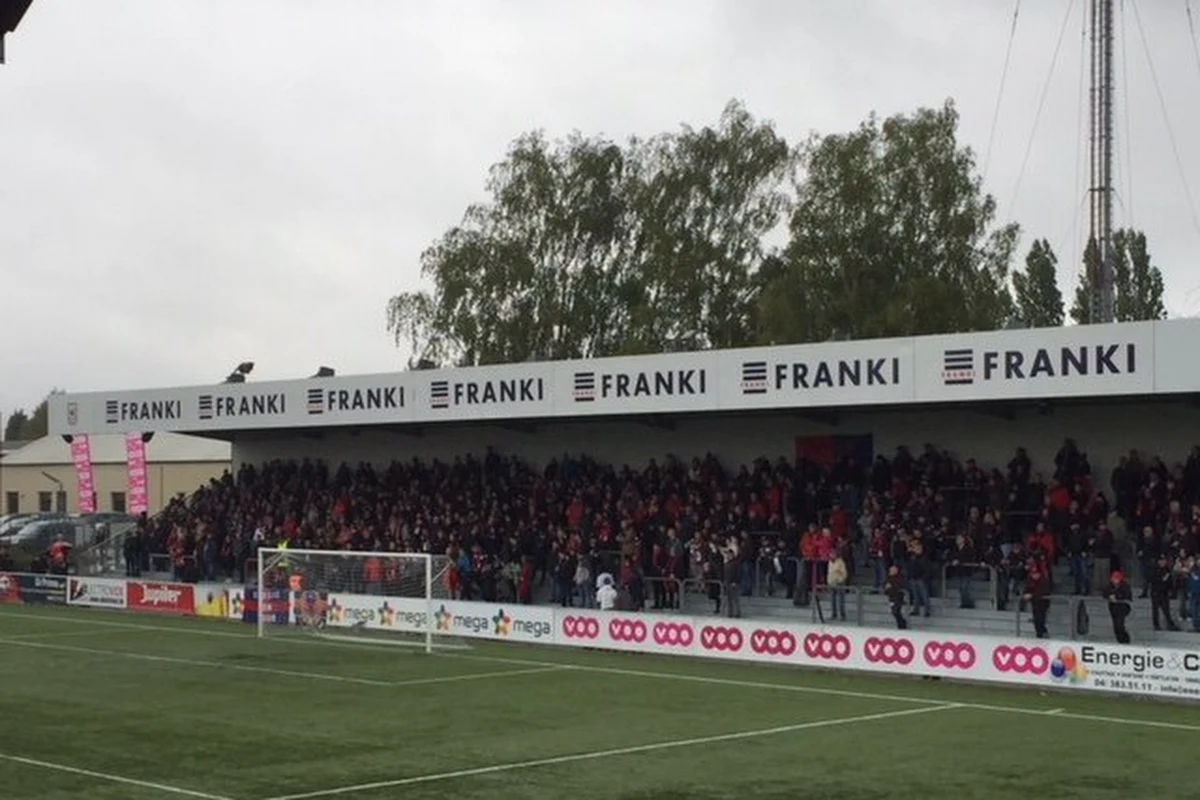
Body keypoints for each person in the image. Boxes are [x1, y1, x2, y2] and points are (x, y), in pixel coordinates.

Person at [1150, 554, 1180, 631]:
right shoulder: (1155, 569)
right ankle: (1156, 624)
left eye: (1164, 561)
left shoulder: (1167, 569)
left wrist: (1171, 590)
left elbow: (1169, 581)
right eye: (1161, 561)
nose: (1163, 562)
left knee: (1166, 609)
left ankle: (1170, 624)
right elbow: (1153, 580)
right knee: (1155, 610)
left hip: (1164, 592)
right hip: (1156, 592)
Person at [1104, 570, 1133, 644]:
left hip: (1122, 607)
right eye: (1113, 579)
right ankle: (1120, 640)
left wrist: (1116, 596)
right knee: (1116, 626)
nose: (1114, 581)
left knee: (1119, 625)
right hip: (1113, 608)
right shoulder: (1109, 585)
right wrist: (1109, 596)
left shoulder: (1125, 585)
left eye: (1116, 579)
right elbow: (1105, 593)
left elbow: (1126, 595)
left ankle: (1125, 640)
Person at [1024, 564, 1050, 639]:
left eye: (1036, 574)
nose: (1034, 576)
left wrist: (1032, 595)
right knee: (1036, 619)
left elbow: (1044, 591)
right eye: (1033, 574)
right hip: (1034, 603)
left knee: (1040, 619)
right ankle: (1040, 634)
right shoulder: (1030, 580)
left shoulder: (1044, 580)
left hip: (1043, 603)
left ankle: (1042, 633)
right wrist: (1025, 594)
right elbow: (1027, 588)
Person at [827, 552, 848, 621]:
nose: (831, 555)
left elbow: (844, 573)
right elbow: (829, 572)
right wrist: (829, 581)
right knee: (833, 600)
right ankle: (834, 614)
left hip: (839, 583)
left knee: (841, 600)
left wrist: (840, 580)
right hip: (832, 583)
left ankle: (842, 615)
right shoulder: (830, 562)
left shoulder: (840, 562)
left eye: (833, 554)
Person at [885, 565, 907, 630]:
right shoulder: (888, 578)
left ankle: (902, 624)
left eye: (892, 570)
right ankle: (901, 624)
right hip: (891, 597)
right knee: (894, 612)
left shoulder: (900, 578)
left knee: (896, 611)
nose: (890, 572)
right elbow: (886, 589)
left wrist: (891, 587)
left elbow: (901, 586)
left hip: (898, 597)